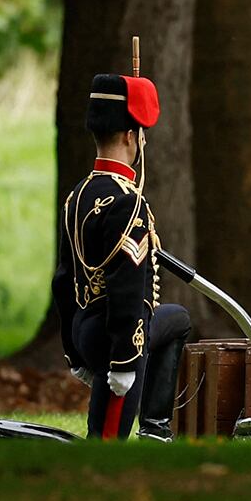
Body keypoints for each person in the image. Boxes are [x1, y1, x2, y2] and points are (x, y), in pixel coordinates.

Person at [51, 71, 194, 440]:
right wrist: (125, 361)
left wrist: (74, 353)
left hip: (85, 332)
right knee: (108, 451)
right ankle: (155, 428)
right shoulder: (129, 203)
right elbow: (127, 288)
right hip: (119, 339)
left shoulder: (76, 196)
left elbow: (64, 280)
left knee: (176, 319)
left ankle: (154, 430)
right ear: (131, 137)